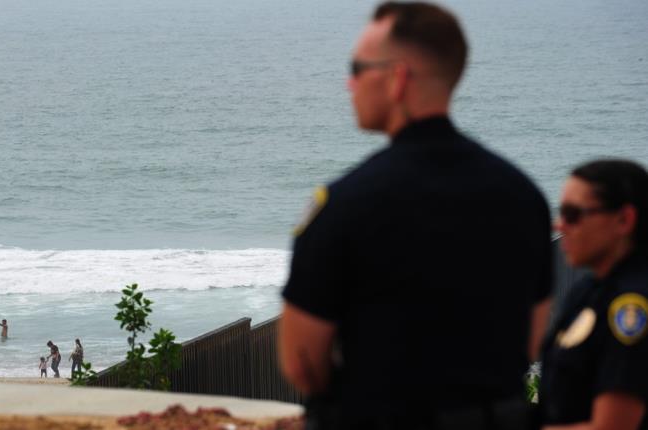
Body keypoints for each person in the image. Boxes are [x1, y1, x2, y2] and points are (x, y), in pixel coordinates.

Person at [278, 2, 553, 429]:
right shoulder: (524, 196)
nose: (350, 83)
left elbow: (302, 364)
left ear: (397, 78)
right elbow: (532, 340)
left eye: (358, 67)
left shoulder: (345, 203)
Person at [539, 160, 648, 430]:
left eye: (573, 215)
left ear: (624, 220)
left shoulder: (632, 306)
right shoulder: (588, 291)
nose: (559, 225)